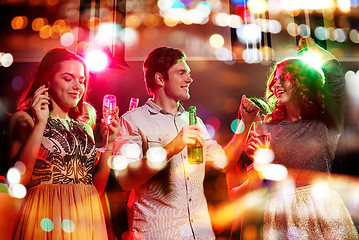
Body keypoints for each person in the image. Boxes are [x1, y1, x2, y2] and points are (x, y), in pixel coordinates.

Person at [115, 46, 258, 239]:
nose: (189, 79)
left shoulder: (195, 122)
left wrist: (245, 123)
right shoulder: (133, 121)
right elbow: (125, 180)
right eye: (181, 73)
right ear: (160, 79)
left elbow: (224, 163)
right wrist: (170, 148)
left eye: (188, 74)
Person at [244, 37, 359, 239]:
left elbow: (335, 77)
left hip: (324, 210)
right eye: (275, 79)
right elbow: (259, 183)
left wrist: (315, 49)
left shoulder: (326, 122)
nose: (275, 85)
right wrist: (255, 160)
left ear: (303, 82)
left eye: (284, 77)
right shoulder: (266, 128)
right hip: (281, 213)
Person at [8, 48, 119, 239]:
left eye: (82, 80)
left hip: (87, 215)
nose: (77, 86)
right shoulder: (25, 120)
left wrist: (109, 145)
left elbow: (95, 188)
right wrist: (41, 123)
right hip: (47, 214)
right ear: (48, 81)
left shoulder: (84, 128)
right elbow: (18, 181)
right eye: (68, 78)